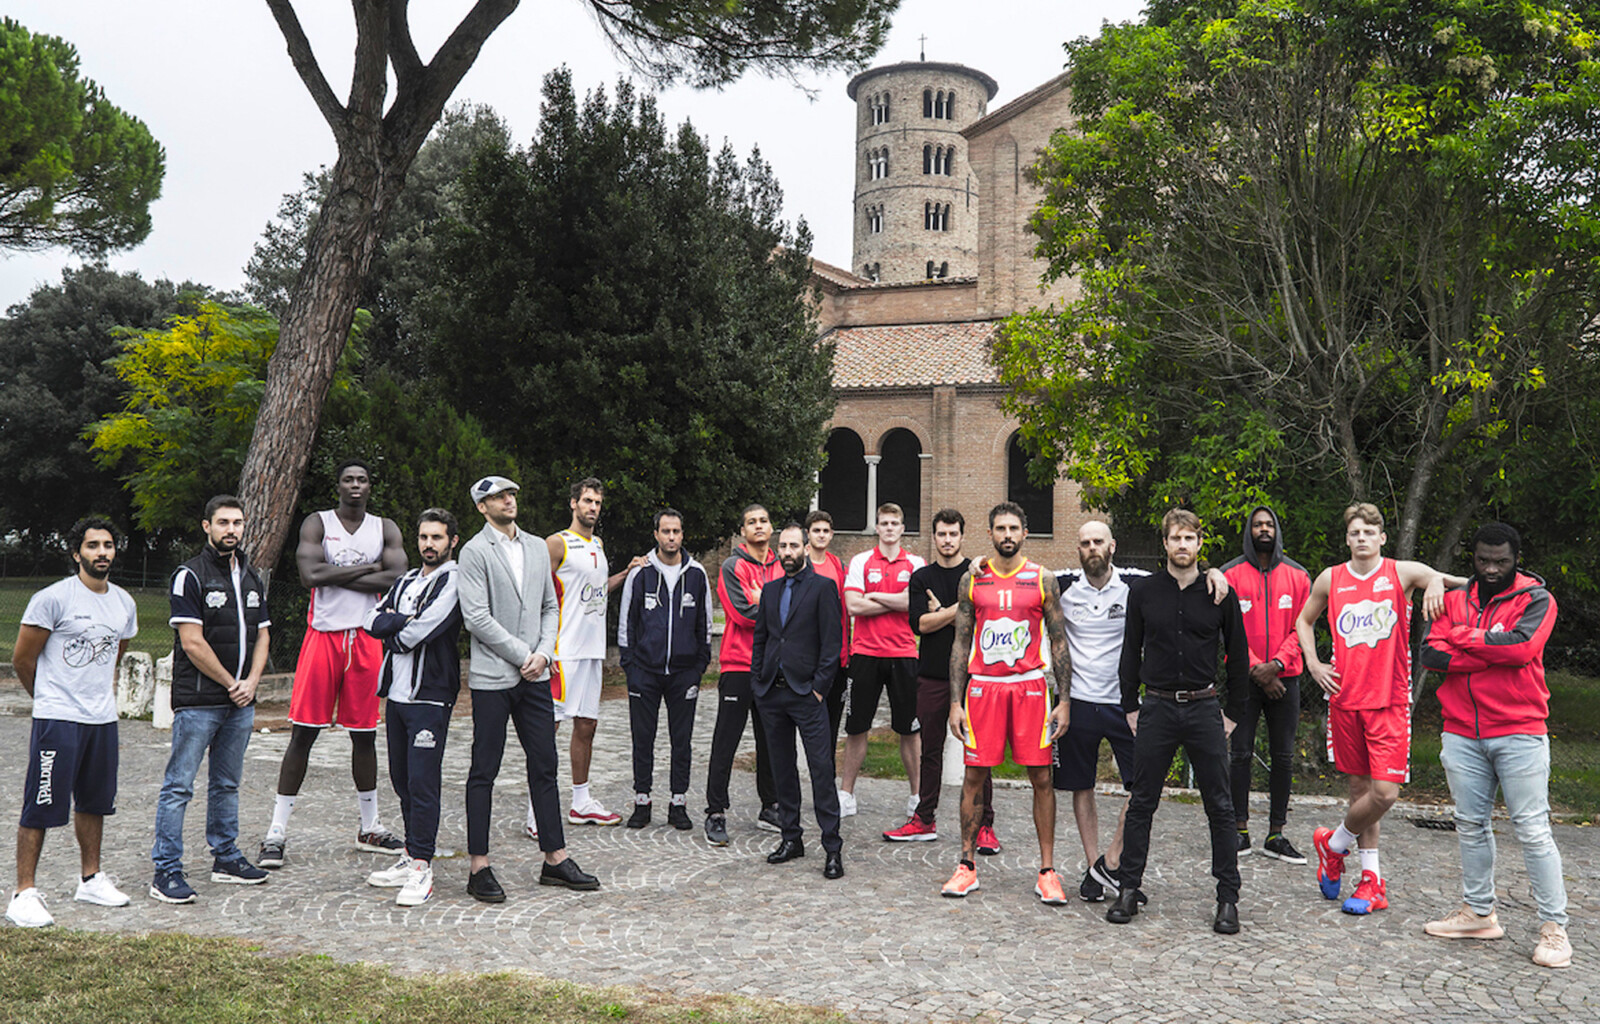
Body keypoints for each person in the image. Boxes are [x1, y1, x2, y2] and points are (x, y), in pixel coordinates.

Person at [1296, 503, 1462, 915]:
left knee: (1384, 793)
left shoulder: (1402, 572)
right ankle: (1372, 883)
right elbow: (1303, 621)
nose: (1362, 539)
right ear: (1347, 538)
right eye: (1355, 533)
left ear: (1382, 538)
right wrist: (1314, 664)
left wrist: (1437, 581)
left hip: (1388, 701)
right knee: (1360, 794)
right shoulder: (1331, 578)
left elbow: (1462, 582)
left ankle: (1332, 844)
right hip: (1345, 700)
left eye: (1369, 532)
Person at [1420, 523, 1572, 969]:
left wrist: (1463, 639)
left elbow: (1522, 647)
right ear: (1474, 557)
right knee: (1469, 823)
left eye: (1500, 562)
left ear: (1515, 560)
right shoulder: (1451, 599)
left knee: (1532, 828)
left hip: (1520, 729)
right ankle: (1479, 913)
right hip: (1461, 730)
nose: (1490, 569)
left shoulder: (1537, 600)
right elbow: (1430, 653)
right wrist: (1488, 648)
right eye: (1483, 560)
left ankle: (1554, 927)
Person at [259, 460, 408, 869]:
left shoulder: (385, 527)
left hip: (365, 639)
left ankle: (370, 826)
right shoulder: (318, 523)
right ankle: (276, 831)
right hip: (323, 638)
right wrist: (367, 569)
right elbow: (309, 575)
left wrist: (336, 573)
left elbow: (397, 578)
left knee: (364, 736)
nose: (355, 485)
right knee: (302, 734)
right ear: (338, 485)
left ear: (369, 486)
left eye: (362, 479)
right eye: (348, 479)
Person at [1107, 508, 1248, 935]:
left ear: (1199, 544)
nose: (1182, 546)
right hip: (1158, 707)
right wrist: (1130, 704)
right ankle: (1128, 888)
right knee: (1142, 802)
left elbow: (1238, 658)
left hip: (1205, 708)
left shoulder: (1220, 594)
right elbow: (1130, 650)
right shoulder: (1145, 593)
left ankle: (1228, 899)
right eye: (1175, 539)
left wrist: (1232, 716)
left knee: (1220, 807)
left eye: (1189, 538)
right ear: (1164, 544)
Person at [458, 475, 599, 900]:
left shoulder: (538, 546)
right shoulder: (473, 552)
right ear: (483, 507)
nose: (509, 500)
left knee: (545, 764)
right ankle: (478, 865)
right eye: (499, 496)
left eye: (512, 494)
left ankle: (554, 858)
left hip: (536, 675)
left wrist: (543, 654)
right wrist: (525, 655)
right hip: (494, 679)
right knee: (484, 769)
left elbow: (549, 605)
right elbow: (477, 618)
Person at [7, 517, 138, 928]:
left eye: (108, 545)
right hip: (57, 718)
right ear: (76, 552)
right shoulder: (53, 599)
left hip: (101, 718)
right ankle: (23, 893)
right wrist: (48, 699)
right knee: (42, 803)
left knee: (95, 801)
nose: (102, 552)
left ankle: (91, 878)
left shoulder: (124, 603)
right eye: (93, 545)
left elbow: (117, 651)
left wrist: (93, 696)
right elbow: (23, 660)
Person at [942, 502, 1072, 904]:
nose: (1007, 535)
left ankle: (1047, 871)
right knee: (974, 777)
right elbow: (961, 641)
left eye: (1014, 527)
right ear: (991, 533)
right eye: (1000, 528)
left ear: (1025, 533)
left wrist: (1063, 699)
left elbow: (1058, 641)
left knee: (1042, 778)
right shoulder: (973, 579)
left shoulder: (1043, 579)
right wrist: (955, 702)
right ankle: (966, 865)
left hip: (1030, 687)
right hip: (984, 689)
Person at [150, 496, 272, 905]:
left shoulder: (252, 576)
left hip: (241, 702)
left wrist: (251, 681)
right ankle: (165, 869)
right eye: (223, 523)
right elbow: (191, 641)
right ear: (207, 527)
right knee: (179, 786)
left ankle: (226, 856)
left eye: (237, 523)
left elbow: (264, 635)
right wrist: (230, 682)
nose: (231, 530)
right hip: (200, 700)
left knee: (227, 783)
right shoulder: (190, 575)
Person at [361, 509, 464, 907]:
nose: (428, 544)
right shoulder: (405, 580)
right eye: (423, 537)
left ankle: (423, 863)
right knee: (401, 778)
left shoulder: (453, 580)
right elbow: (371, 619)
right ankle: (410, 854)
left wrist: (395, 627)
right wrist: (400, 623)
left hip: (430, 695)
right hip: (397, 696)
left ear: (452, 541)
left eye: (437, 537)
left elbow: (423, 630)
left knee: (423, 781)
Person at [889, 508, 999, 848]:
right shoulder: (922, 578)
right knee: (930, 750)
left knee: (981, 753)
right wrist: (959, 610)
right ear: (933, 536)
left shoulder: (979, 574)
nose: (947, 540)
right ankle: (924, 819)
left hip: (975, 677)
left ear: (962, 536)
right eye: (941, 534)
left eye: (953, 534)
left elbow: (983, 623)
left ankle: (984, 827)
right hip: (932, 677)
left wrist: (942, 611)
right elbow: (919, 625)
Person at [537, 477, 638, 831]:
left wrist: (626, 573)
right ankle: (537, 811)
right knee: (547, 730)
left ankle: (581, 803)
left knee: (587, 726)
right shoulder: (556, 543)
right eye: (587, 501)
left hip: (592, 653)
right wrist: (541, 650)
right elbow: (536, 594)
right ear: (573, 504)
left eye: (597, 502)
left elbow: (595, 591)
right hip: (562, 654)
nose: (593, 507)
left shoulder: (597, 543)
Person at [750, 523, 846, 879]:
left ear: (805, 548)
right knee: (782, 770)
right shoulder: (771, 591)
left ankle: (832, 847)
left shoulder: (823, 588)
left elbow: (831, 644)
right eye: (783, 546)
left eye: (794, 545)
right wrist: (757, 681)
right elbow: (761, 638)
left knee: (821, 769)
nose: (788, 552)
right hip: (772, 693)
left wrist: (820, 688)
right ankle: (791, 838)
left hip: (807, 694)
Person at [1221, 506, 1311, 864]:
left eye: (1268, 524)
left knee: (1283, 757)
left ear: (1277, 529)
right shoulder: (1230, 575)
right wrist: (1257, 668)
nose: (1263, 529)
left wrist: (1276, 666)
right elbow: (1228, 631)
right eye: (1257, 524)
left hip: (1284, 681)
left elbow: (1302, 627)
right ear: (1248, 530)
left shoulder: (1299, 576)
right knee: (1239, 754)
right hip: (1245, 680)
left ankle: (1276, 834)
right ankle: (1239, 831)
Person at [617, 509, 712, 831]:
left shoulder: (697, 574)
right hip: (644, 671)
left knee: (681, 739)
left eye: (676, 531)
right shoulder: (639, 574)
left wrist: (700, 665)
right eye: (665, 531)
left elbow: (705, 623)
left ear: (682, 535)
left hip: (684, 673)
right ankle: (642, 801)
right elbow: (627, 622)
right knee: (642, 738)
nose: (671, 537)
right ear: (656, 534)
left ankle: (678, 802)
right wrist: (630, 664)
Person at [839, 503, 926, 820]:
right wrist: (895, 601)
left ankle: (917, 796)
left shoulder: (916, 563)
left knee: (909, 730)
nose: (889, 528)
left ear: (903, 528)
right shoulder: (861, 561)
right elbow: (853, 607)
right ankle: (846, 794)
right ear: (876, 527)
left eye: (895, 523)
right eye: (884, 523)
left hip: (904, 654)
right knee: (856, 727)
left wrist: (874, 596)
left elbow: (914, 603)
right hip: (864, 653)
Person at [704, 504, 783, 845]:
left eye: (763, 521)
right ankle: (715, 812)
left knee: (770, 741)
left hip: (771, 667)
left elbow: (795, 609)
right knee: (727, 741)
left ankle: (771, 807)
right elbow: (743, 614)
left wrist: (763, 599)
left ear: (771, 527)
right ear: (743, 531)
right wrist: (773, 604)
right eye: (751, 522)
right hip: (738, 666)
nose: (759, 526)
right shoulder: (731, 566)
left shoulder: (782, 566)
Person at [802, 510, 851, 750]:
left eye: (825, 531)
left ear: (831, 535)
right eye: (816, 531)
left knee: (831, 725)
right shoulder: (799, 564)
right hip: (806, 659)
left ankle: (826, 779)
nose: (821, 535)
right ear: (808, 534)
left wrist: (846, 653)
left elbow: (845, 612)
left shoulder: (839, 567)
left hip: (835, 659)